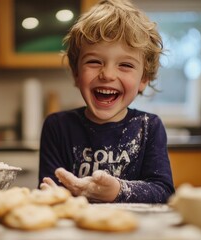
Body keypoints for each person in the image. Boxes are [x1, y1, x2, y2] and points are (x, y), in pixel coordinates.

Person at [39, 0, 175, 203]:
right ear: (76, 73)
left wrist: (119, 191)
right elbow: (49, 189)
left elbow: (163, 191)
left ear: (143, 79)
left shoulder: (149, 128)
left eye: (125, 65)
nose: (108, 74)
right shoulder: (57, 127)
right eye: (94, 61)